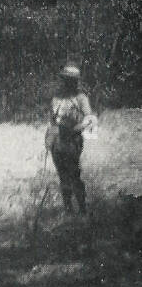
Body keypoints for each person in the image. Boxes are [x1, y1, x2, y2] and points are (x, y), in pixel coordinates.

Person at [47, 64, 96, 215]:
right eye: (65, 79)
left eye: (70, 80)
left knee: (74, 174)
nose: (67, 83)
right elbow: (52, 121)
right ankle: (68, 210)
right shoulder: (56, 98)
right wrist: (49, 138)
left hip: (72, 141)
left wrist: (77, 129)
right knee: (62, 176)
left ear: (75, 82)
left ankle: (82, 209)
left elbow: (90, 119)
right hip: (57, 141)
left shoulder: (81, 98)